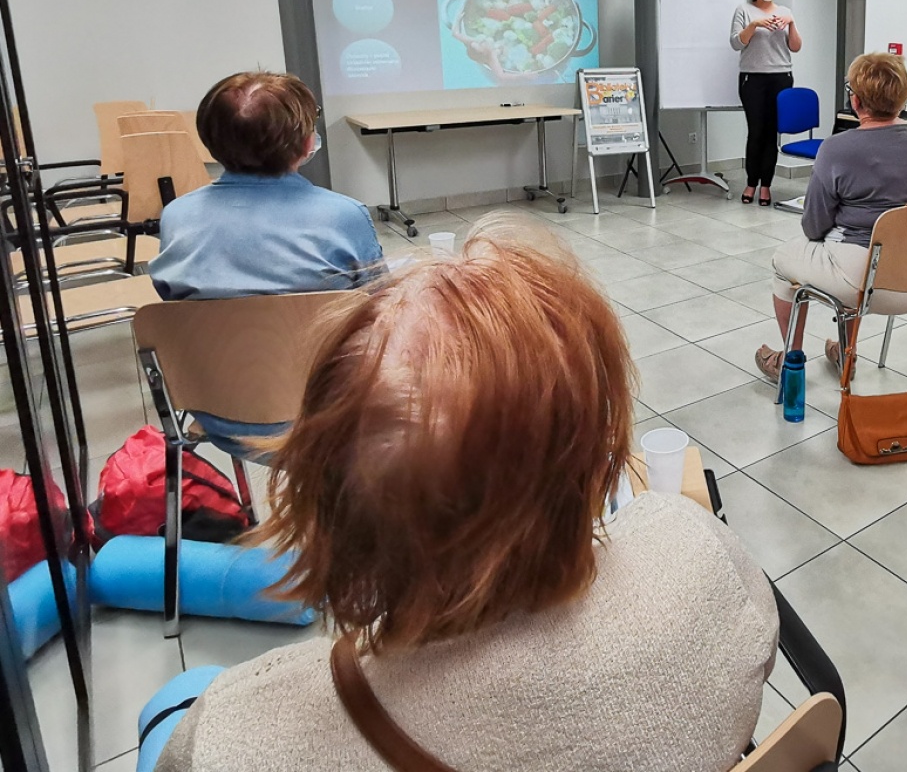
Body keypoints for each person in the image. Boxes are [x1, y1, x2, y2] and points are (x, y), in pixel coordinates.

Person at [155, 230, 778, 772]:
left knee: (171, 698)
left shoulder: (232, 737)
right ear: (596, 461)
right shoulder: (697, 552)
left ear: (329, 508)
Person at [148, 71, 383, 458]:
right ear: (307, 143)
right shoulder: (343, 216)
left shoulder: (177, 216)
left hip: (220, 416)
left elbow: (174, 301)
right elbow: (380, 311)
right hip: (329, 417)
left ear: (208, 141)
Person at [755, 52, 907, 381]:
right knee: (858, 255)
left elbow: (813, 226)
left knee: (784, 263)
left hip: (866, 281)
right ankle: (846, 351)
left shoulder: (837, 148)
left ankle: (790, 362)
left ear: (855, 101)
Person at [730, 0, 802, 206]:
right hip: (753, 79)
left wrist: (791, 22)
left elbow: (795, 47)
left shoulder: (784, 12)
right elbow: (736, 43)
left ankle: (766, 187)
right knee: (756, 131)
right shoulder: (744, 10)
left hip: (781, 77)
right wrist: (755, 25)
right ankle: (751, 183)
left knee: (772, 135)